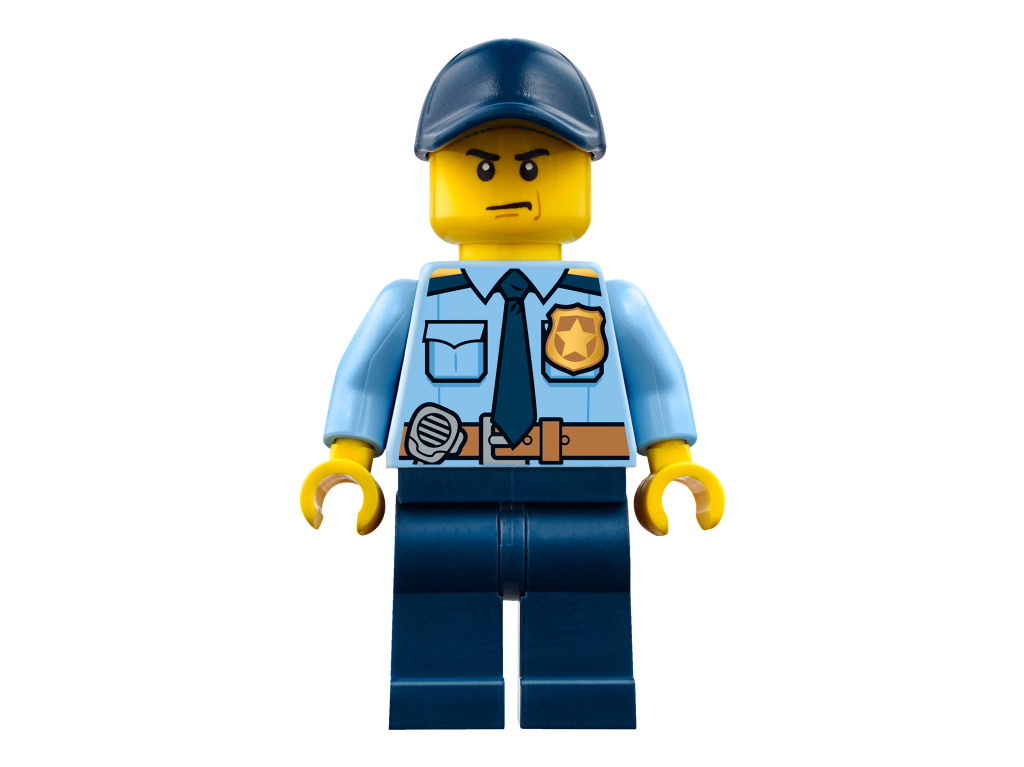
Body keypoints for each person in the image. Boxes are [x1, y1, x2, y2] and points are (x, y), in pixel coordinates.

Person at [299, 38, 724, 730]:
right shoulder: (412, 300)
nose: (508, 184)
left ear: (581, 172)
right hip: (443, 493)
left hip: (582, 493)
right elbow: (366, 378)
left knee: (586, 632)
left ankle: (582, 709)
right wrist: (349, 459)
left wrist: (672, 462)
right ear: (438, 173)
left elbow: (654, 381)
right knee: (438, 630)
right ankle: (441, 710)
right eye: (482, 167)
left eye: (533, 165)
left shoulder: (611, 301)